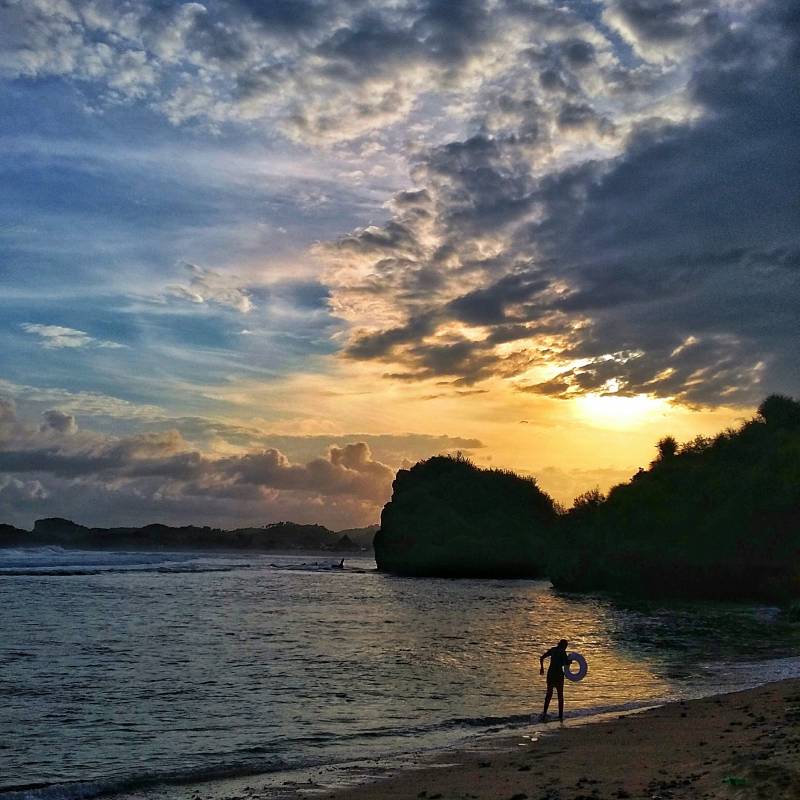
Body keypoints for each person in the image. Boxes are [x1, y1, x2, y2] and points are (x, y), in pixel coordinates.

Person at [539, 639, 572, 722]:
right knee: (560, 696)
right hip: (558, 675)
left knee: (548, 695)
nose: (565, 648)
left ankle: (544, 714)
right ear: (564, 646)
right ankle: (560, 716)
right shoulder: (562, 652)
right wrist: (570, 661)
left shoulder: (553, 650)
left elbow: (542, 657)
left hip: (550, 674)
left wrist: (542, 668)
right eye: (566, 646)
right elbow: (565, 663)